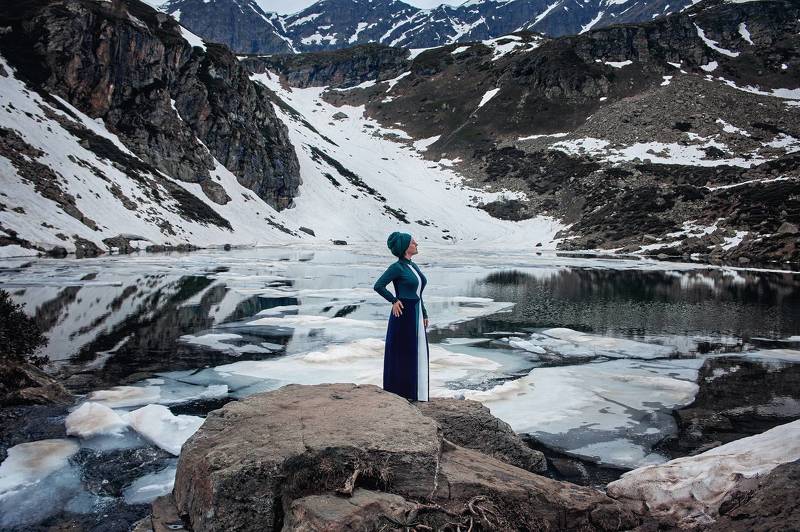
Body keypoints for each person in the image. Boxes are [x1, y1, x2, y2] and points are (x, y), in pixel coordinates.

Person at [373, 232, 430, 402]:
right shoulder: (397, 267)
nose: (416, 244)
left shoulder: (413, 266)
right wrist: (394, 300)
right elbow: (379, 286)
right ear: (405, 247)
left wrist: (424, 312)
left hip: (416, 313)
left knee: (417, 352)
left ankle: (416, 393)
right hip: (404, 314)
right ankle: (401, 393)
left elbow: (418, 293)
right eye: (413, 242)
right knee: (403, 353)